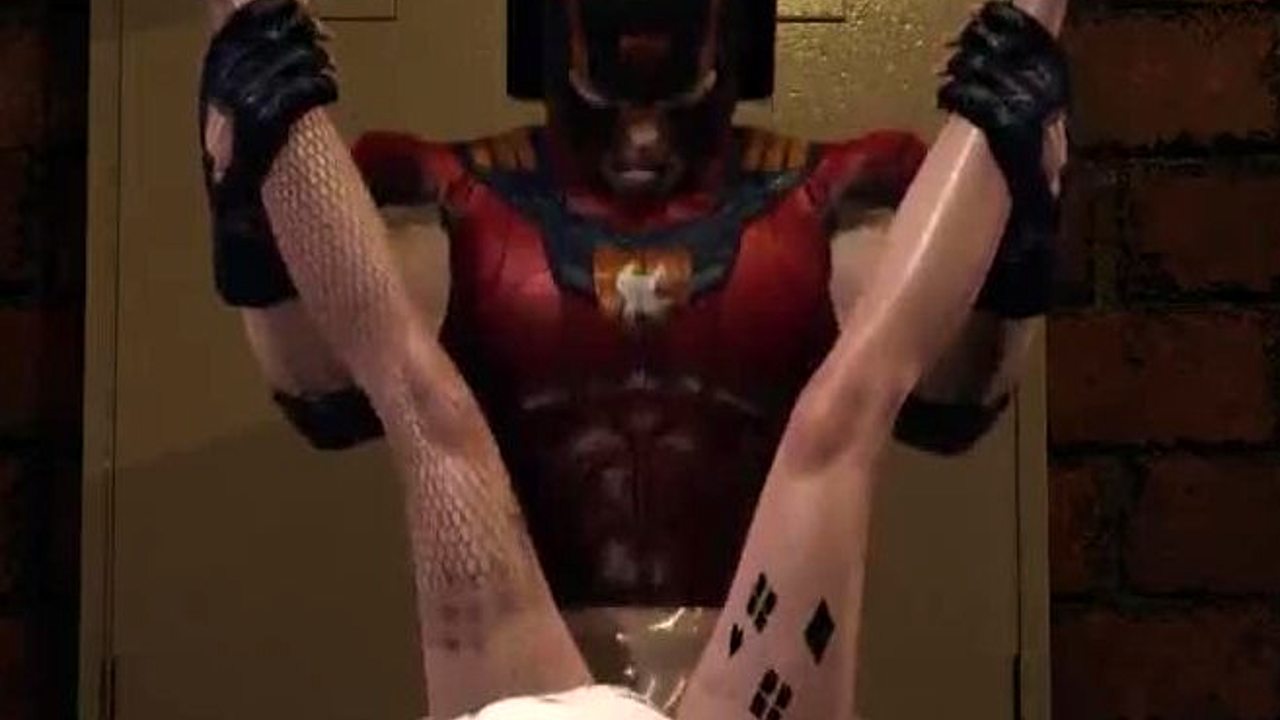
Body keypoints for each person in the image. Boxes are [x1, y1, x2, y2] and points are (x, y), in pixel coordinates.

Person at [198, 0, 1067, 715]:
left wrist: (248, 159)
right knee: (841, 419)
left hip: (559, 675)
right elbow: (326, 381)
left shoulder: (813, 203)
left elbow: (950, 392)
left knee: (429, 412)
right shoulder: (466, 203)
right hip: (705, 670)